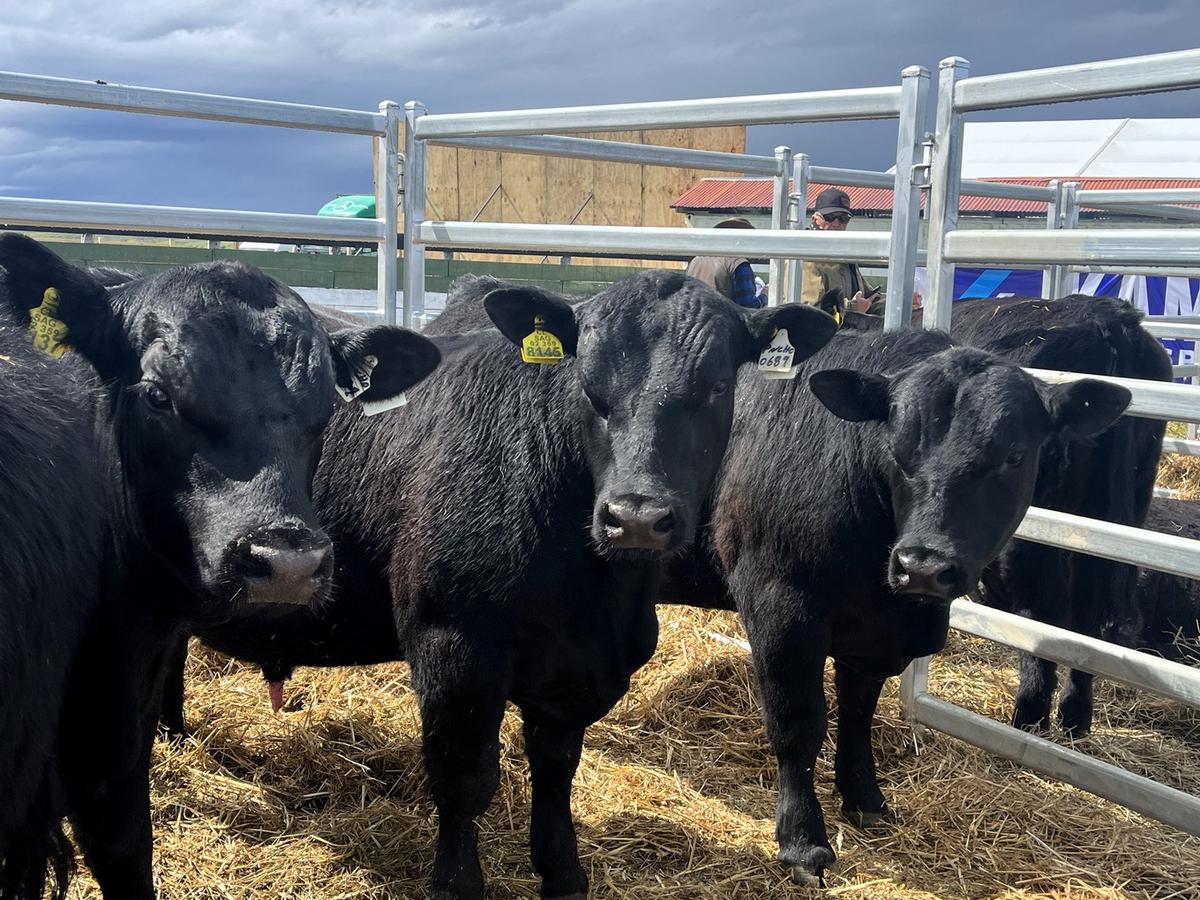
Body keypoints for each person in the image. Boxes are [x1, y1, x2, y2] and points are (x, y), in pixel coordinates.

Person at [800, 187, 923, 314]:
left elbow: (869, 300)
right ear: (815, 219)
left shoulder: (844, 254)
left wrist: (903, 302)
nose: (837, 223)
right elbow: (807, 310)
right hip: (825, 331)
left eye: (843, 218)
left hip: (847, 328)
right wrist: (852, 307)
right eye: (830, 217)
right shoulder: (806, 256)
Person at [686, 217, 765, 308]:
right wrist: (764, 296)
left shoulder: (696, 260)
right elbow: (749, 306)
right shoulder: (739, 264)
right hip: (722, 320)